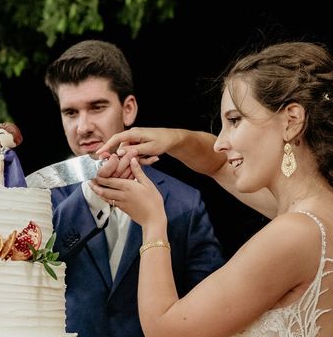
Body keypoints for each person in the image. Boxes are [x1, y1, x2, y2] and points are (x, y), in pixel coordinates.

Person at [92, 41, 333, 337]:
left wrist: (152, 224)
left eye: (235, 120)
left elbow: (167, 329)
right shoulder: (320, 207)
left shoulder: (295, 233)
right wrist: (173, 139)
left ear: (291, 120)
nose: (221, 141)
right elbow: (216, 163)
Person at [44, 39, 225, 337]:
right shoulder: (37, 198)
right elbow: (30, 274)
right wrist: (91, 194)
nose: (83, 127)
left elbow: (213, 307)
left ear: (128, 109)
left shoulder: (185, 203)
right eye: (71, 113)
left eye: (96, 107)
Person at [0, 121, 27, 187]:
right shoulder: (2, 150)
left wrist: (3, 157)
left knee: (11, 181)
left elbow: (10, 157)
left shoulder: (10, 152)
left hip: (13, 175)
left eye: (2, 134)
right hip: (7, 173)